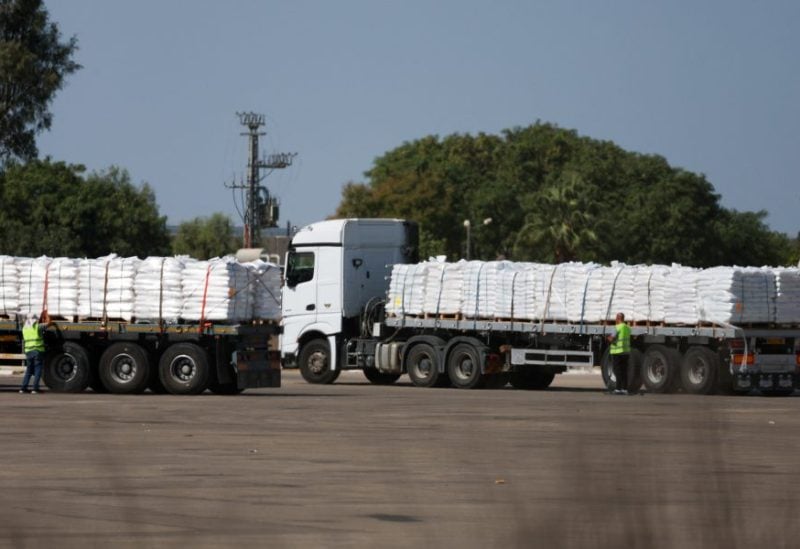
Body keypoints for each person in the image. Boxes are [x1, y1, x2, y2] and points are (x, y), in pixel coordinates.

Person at [20, 313, 47, 394]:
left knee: (28, 370)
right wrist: (46, 315)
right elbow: (50, 323)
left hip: (28, 351)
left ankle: (23, 388)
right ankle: (35, 388)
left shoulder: (24, 328)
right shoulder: (38, 327)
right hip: (37, 351)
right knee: (38, 369)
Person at [607, 312, 631, 395]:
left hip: (617, 352)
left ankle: (618, 389)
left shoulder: (617, 327)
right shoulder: (627, 328)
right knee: (624, 371)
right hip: (626, 352)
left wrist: (608, 338)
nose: (615, 319)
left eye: (616, 318)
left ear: (618, 318)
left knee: (617, 370)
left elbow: (612, 338)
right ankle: (625, 389)